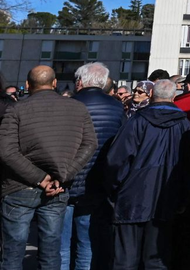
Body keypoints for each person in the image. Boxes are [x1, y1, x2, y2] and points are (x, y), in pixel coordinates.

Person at [0, 66, 98, 270]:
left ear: (27, 85)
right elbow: (90, 144)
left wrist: (41, 178)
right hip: (57, 185)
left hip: (20, 186)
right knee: (50, 251)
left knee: (13, 252)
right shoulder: (77, 108)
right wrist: (64, 174)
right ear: (54, 83)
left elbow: (6, 151)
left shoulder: (16, 109)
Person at [104, 79, 190, 270]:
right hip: (166, 197)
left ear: (151, 94)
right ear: (174, 97)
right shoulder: (183, 124)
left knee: (125, 260)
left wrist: (114, 189)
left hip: (133, 196)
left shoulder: (138, 120)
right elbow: (189, 166)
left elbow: (117, 159)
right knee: (156, 260)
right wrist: (183, 198)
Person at [62, 63, 127, 270]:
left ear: (80, 82)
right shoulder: (117, 107)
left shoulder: (70, 104)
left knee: (61, 243)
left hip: (68, 178)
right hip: (98, 181)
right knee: (86, 240)